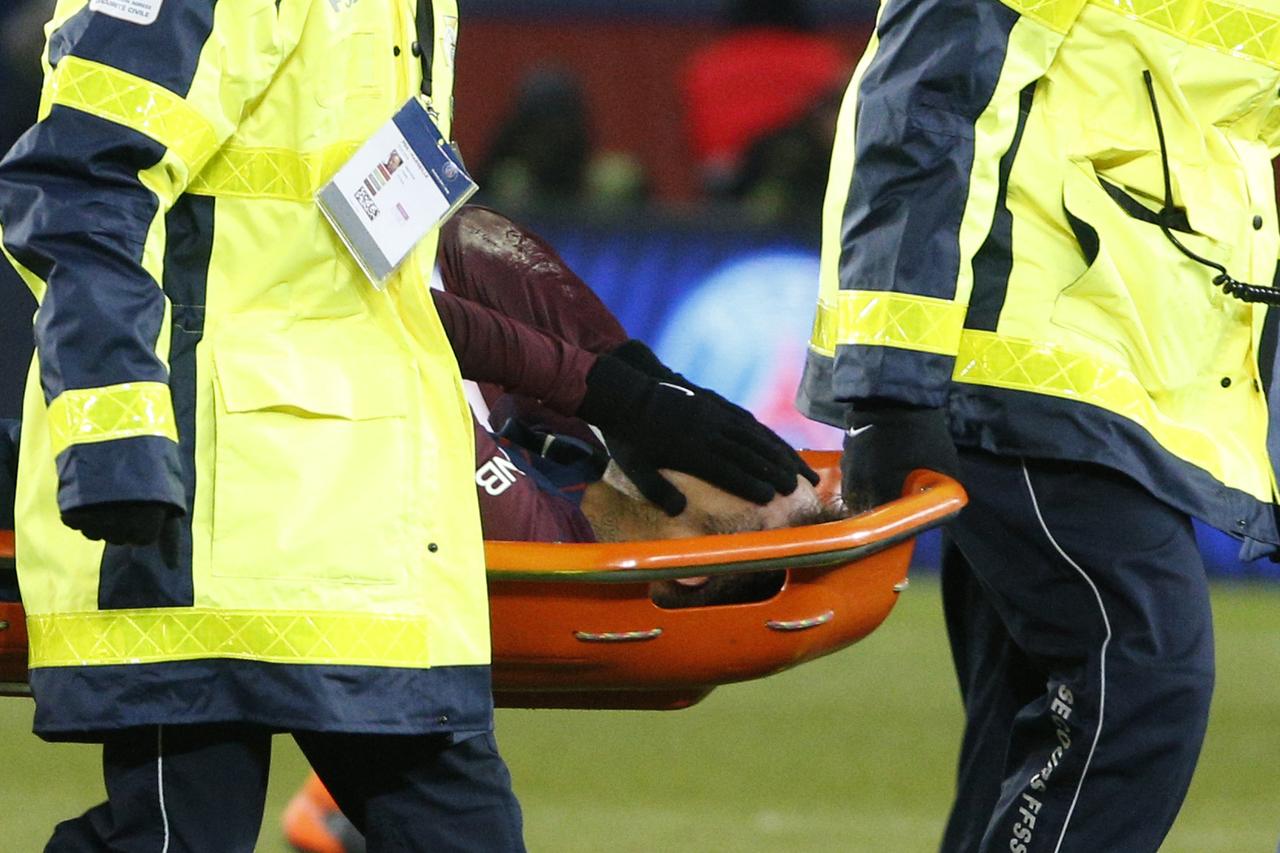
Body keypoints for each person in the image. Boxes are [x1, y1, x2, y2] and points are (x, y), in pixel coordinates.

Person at [0, 5, 809, 851]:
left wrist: (623, 381)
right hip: (199, 520)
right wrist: (117, 440)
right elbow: (78, 184)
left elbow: (397, 248)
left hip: (371, 541)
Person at [797, 1, 1280, 851]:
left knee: (1028, 725)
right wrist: (889, 383)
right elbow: (924, 94)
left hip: (1118, 353)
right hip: (1014, 346)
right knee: (1139, 669)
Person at [281, 205, 838, 853]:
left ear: (693, 560)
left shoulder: (536, 531)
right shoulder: (578, 466)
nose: (728, 443)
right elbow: (471, 234)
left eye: (747, 476)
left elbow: (369, 323)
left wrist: (602, 385)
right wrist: (628, 367)